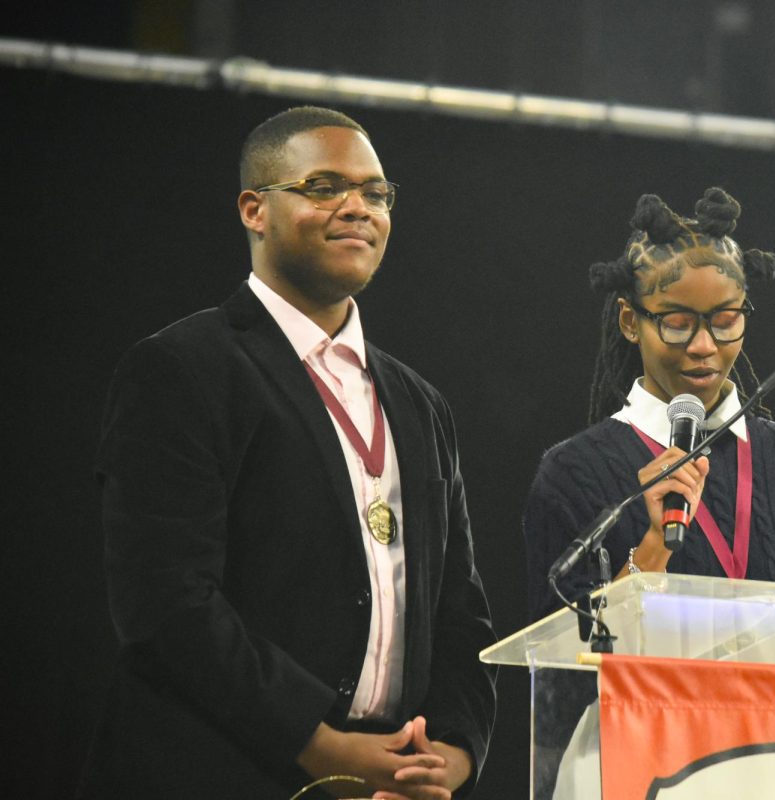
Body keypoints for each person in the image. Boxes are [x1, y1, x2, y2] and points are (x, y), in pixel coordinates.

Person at [81, 106, 497, 800]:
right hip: (215, 770)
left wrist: (455, 750)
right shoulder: (183, 368)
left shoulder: (422, 404)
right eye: (324, 187)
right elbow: (167, 606)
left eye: (376, 192)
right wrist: (323, 746)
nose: (357, 207)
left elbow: (462, 610)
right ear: (254, 209)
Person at [521, 188, 775, 796]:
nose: (704, 346)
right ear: (630, 321)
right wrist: (652, 546)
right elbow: (558, 668)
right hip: (629, 767)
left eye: (726, 319)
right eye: (676, 322)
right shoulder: (574, 472)